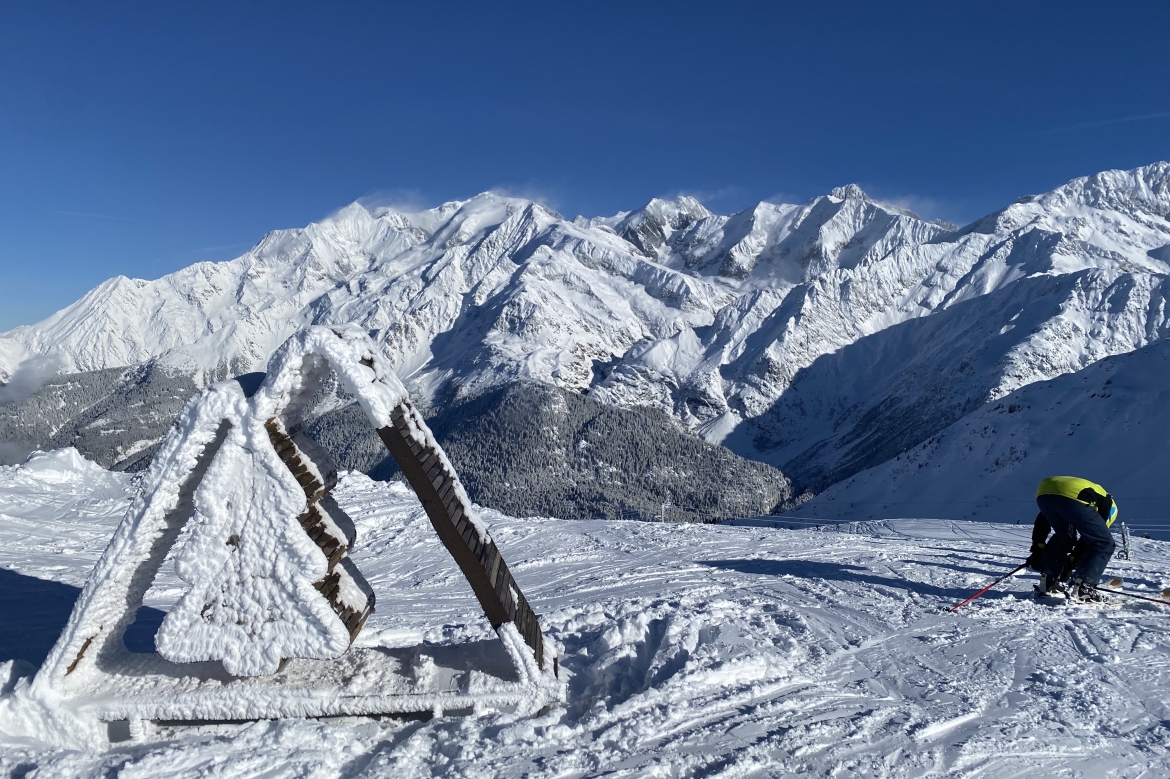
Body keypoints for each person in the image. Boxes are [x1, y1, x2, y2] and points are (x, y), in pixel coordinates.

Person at [1027, 476, 1118, 603]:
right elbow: (1091, 541)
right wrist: (1072, 564)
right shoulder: (1111, 510)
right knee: (1104, 543)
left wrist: (1038, 547)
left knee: (1064, 537)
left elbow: (1042, 521)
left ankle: (1048, 581)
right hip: (1073, 494)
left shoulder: (1095, 497)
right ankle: (1084, 588)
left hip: (1044, 492)